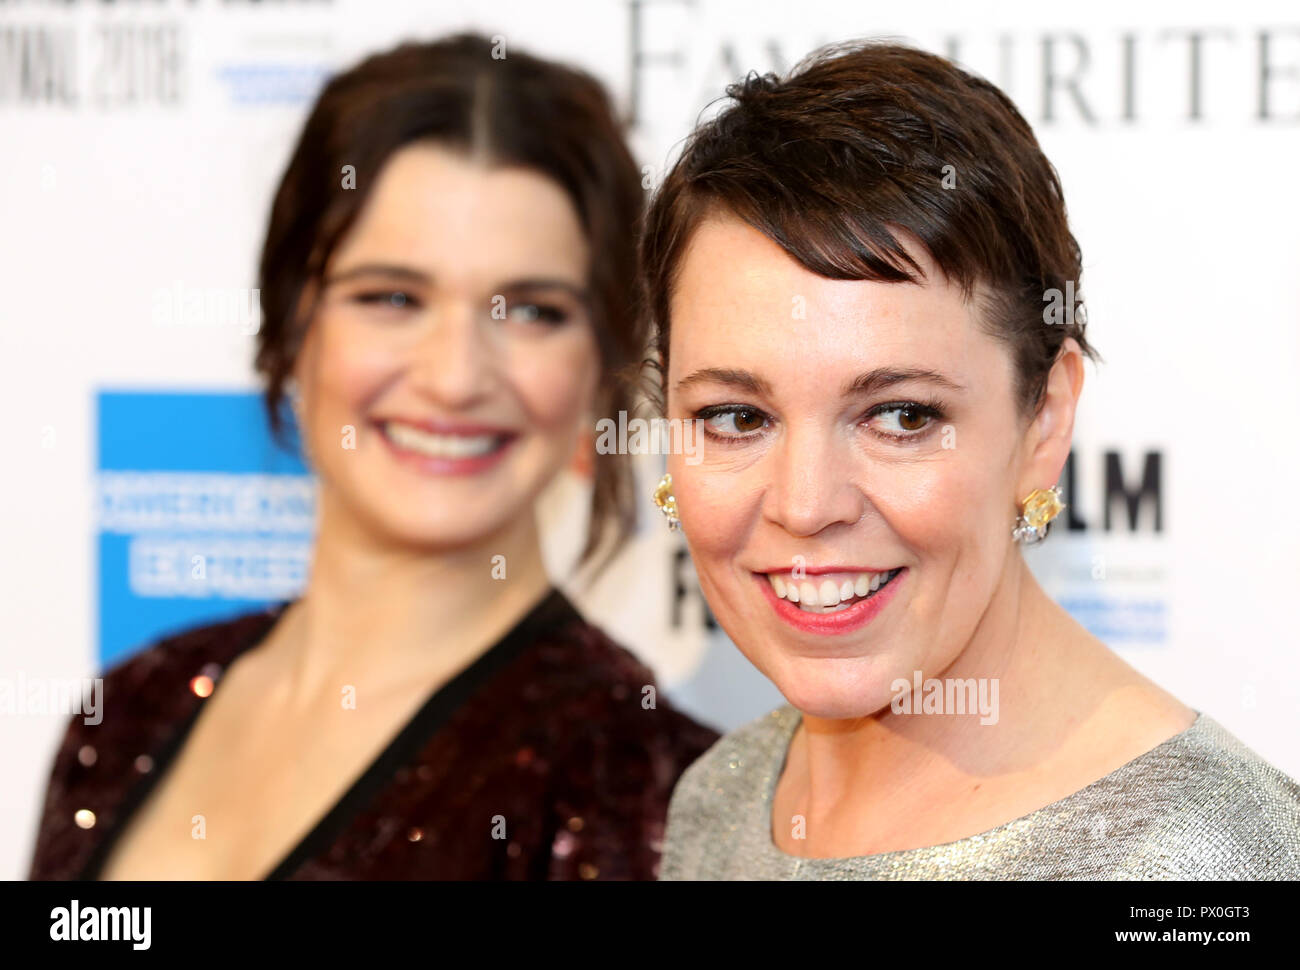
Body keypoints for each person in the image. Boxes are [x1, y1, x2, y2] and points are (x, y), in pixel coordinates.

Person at [28, 33, 718, 881]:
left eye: (532, 311)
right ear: (291, 323)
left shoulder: (643, 787)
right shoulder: (131, 709)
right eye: (391, 297)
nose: (456, 376)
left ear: (603, 361)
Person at [643, 40, 1300, 879]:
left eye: (901, 416)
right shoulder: (718, 801)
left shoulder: (1211, 867)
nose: (806, 505)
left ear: (1045, 418)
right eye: (736, 416)